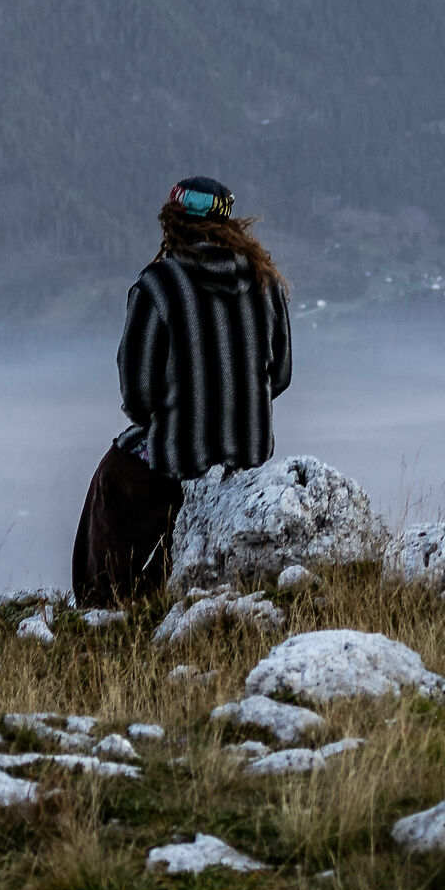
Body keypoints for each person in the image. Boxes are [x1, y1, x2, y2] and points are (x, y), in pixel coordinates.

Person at [72, 176, 292, 606]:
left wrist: (178, 418)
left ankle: (104, 606)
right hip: (249, 461)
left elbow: (137, 393)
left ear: (172, 224)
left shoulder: (159, 285)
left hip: (176, 461)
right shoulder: (267, 284)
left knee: (114, 477)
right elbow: (279, 376)